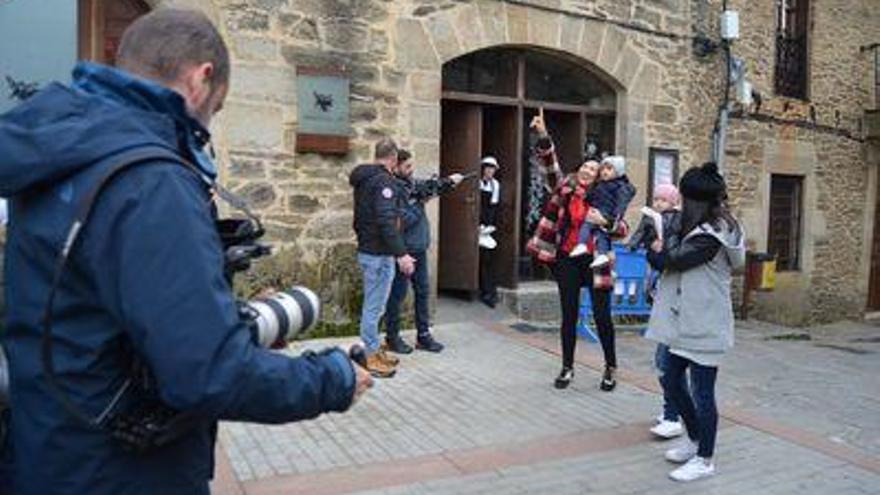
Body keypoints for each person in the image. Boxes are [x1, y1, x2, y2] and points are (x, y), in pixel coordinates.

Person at [0, 9, 371, 495]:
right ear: (203, 78)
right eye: (217, 110)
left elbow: (97, 315)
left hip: (47, 452)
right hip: (118, 472)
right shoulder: (152, 182)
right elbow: (208, 373)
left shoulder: (63, 152)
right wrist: (333, 378)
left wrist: (219, 317)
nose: (209, 126)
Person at [645, 162, 745, 482]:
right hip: (684, 323)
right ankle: (693, 438)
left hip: (705, 324)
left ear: (697, 201)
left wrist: (657, 250)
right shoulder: (699, 226)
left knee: (703, 393)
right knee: (671, 379)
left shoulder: (715, 232)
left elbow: (672, 260)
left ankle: (705, 458)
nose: (682, 204)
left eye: (686, 199)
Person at [526, 115, 627, 391]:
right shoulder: (565, 189)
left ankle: (610, 368)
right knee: (568, 315)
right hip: (568, 259)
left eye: (594, 168)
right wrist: (543, 134)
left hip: (596, 262)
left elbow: (623, 228)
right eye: (585, 165)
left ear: (599, 177)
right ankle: (567, 367)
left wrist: (606, 223)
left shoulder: (607, 196)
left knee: (602, 316)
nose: (587, 169)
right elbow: (549, 165)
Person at [382, 149, 463, 354]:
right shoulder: (393, 190)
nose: (411, 170)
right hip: (404, 252)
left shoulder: (411, 184)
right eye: (407, 166)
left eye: (411, 166)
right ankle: (392, 337)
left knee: (423, 292)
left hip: (419, 249)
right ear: (397, 167)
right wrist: (420, 203)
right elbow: (403, 221)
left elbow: (431, 187)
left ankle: (423, 336)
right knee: (397, 296)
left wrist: (449, 182)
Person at [350, 138, 416, 378]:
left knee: (374, 306)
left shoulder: (365, 179)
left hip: (371, 250)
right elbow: (386, 220)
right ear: (393, 158)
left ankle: (374, 349)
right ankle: (369, 356)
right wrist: (402, 254)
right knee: (374, 307)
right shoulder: (383, 182)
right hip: (378, 253)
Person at [635, 184, 687, 439]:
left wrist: (660, 250)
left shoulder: (680, 224)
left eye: (662, 200)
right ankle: (674, 411)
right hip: (667, 302)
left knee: (669, 364)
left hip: (679, 307)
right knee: (666, 363)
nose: (658, 204)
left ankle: (673, 415)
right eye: (655, 199)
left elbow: (671, 261)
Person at [569, 155, 636, 265]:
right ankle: (583, 246)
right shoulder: (568, 191)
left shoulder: (615, 188)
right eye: (584, 167)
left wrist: (606, 222)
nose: (586, 171)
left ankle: (600, 253)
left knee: (600, 234)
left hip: (593, 255)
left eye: (592, 169)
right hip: (567, 254)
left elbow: (623, 229)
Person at [478, 156, 501, 308]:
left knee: (488, 259)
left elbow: (493, 207)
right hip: (475, 223)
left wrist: (489, 225)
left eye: (492, 168)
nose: (490, 171)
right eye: (488, 168)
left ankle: (489, 292)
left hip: (486, 227)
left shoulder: (495, 185)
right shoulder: (477, 183)